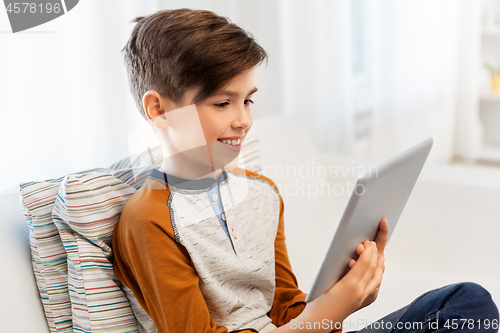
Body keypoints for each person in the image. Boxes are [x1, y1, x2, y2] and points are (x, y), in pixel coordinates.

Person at [112, 8, 499, 333]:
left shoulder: (262, 193)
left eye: (247, 100)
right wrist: (331, 311)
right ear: (160, 111)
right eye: (221, 103)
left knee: (467, 302)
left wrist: (344, 294)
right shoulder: (149, 221)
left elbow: (288, 312)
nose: (243, 120)